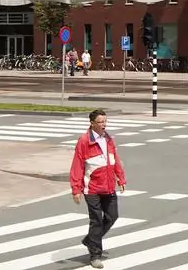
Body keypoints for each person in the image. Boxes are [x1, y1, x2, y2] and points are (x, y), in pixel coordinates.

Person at [68, 109, 125, 269]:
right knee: (97, 221)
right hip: (91, 188)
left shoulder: (108, 139)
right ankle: (95, 254)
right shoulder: (84, 141)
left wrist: (120, 178)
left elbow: (115, 160)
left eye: (105, 122)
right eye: (100, 122)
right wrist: (76, 189)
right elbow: (77, 166)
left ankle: (90, 240)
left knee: (113, 216)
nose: (103, 125)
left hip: (108, 186)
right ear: (92, 123)